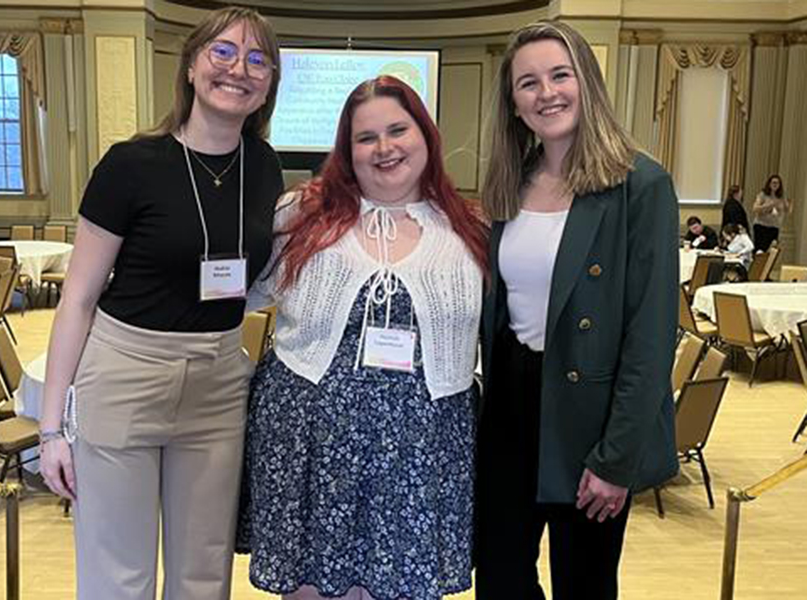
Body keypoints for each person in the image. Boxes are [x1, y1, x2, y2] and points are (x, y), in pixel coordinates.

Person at [37, 7, 283, 599]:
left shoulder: (266, 167)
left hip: (220, 377)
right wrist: (51, 430)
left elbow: (252, 282)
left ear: (269, 81)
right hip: (125, 371)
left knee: (204, 570)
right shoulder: (132, 164)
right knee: (117, 571)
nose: (238, 70)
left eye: (257, 60)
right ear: (193, 66)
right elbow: (77, 299)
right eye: (223, 53)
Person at [236, 76, 489, 600]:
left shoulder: (469, 230)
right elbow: (238, 296)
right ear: (347, 151)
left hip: (421, 447)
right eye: (366, 137)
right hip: (310, 441)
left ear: (426, 134)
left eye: (398, 129)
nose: (385, 148)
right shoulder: (300, 215)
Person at [477, 20, 678, 600]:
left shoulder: (640, 184)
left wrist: (617, 459)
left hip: (590, 416)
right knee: (500, 577)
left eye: (560, 75)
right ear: (513, 104)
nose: (548, 93)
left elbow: (651, 334)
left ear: (587, 81)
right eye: (528, 83)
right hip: (511, 408)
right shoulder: (508, 184)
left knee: (584, 585)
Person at [752, 174, 791, 251]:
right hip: (761, 226)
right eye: (773, 182)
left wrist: (788, 206)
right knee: (760, 250)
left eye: (777, 183)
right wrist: (768, 205)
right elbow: (755, 208)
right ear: (769, 184)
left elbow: (787, 210)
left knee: (772, 250)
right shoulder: (763, 195)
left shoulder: (781, 196)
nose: (775, 185)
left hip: (774, 227)